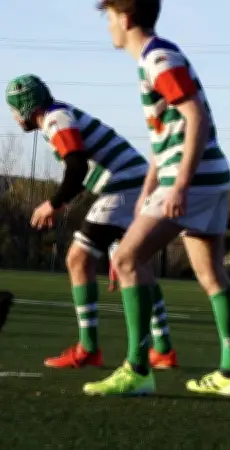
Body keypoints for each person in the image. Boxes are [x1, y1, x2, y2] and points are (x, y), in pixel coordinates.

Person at [89, 0, 230, 397]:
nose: (107, 26)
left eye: (108, 17)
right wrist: (147, 194)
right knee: (211, 276)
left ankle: (138, 370)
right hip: (208, 177)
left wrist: (178, 186)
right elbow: (164, 139)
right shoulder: (156, 59)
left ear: (125, 18)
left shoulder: (158, 58)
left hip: (191, 180)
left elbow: (196, 117)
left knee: (124, 259)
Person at [5, 74, 178, 370]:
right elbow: (83, 170)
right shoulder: (60, 115)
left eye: (12, 109)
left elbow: (77, 165)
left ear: (25, 107)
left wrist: (53, 204)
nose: (12, 116)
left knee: (77, 258)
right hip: (135, 184)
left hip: (123, 186)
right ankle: (162, 349)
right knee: (134, 267)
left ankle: (88, 349)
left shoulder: (55, 118)